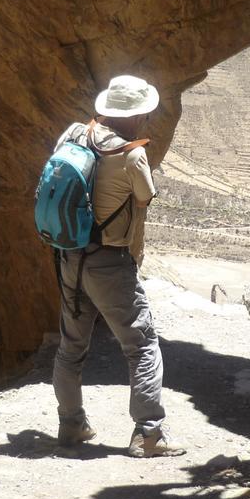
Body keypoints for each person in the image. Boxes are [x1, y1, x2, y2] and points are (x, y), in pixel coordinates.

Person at [52, 75, 186, 458]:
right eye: (144, 113)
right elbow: (144, 198)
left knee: (71, 344)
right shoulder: (131, 154)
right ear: (133, 116)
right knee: (141, 344)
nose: (146, 119)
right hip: (109, 262)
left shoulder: (74, 134)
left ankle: (71, 423)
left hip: (70, 255)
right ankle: (148, 434)